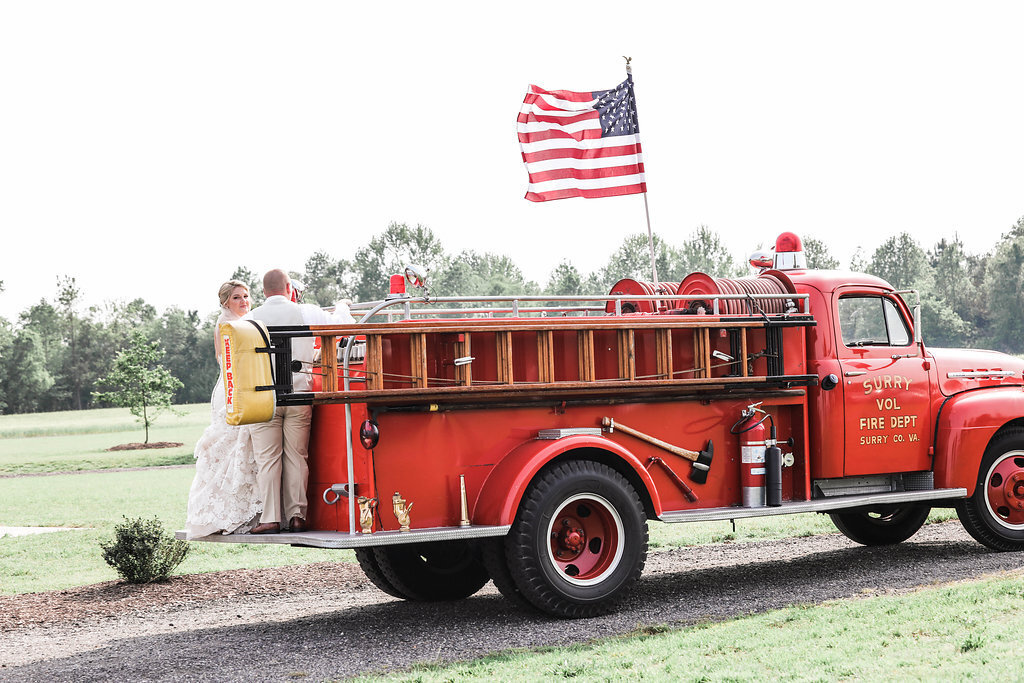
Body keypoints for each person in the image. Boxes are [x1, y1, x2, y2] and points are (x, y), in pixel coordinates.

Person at [248, 269, 354, 534]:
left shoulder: (250, 319)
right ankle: (297, 516)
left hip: (264, 400)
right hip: (299, 396)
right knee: (297, 457)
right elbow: (342, 326)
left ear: (263, 292)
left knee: (268, 460)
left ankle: (270, 518)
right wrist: (342, 305)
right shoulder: (307, 311)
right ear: (288, 287)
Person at [184, 280, 262, 539]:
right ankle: (230, 510)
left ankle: (253, 505)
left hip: (242, 386)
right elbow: (230, 362)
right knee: (231, 446)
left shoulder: (247, 320)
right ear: (226, 302)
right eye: (237, 297)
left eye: (246, 296)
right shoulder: (227, 325)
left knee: (244, 446)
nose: (244, 301)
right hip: (233, 389)